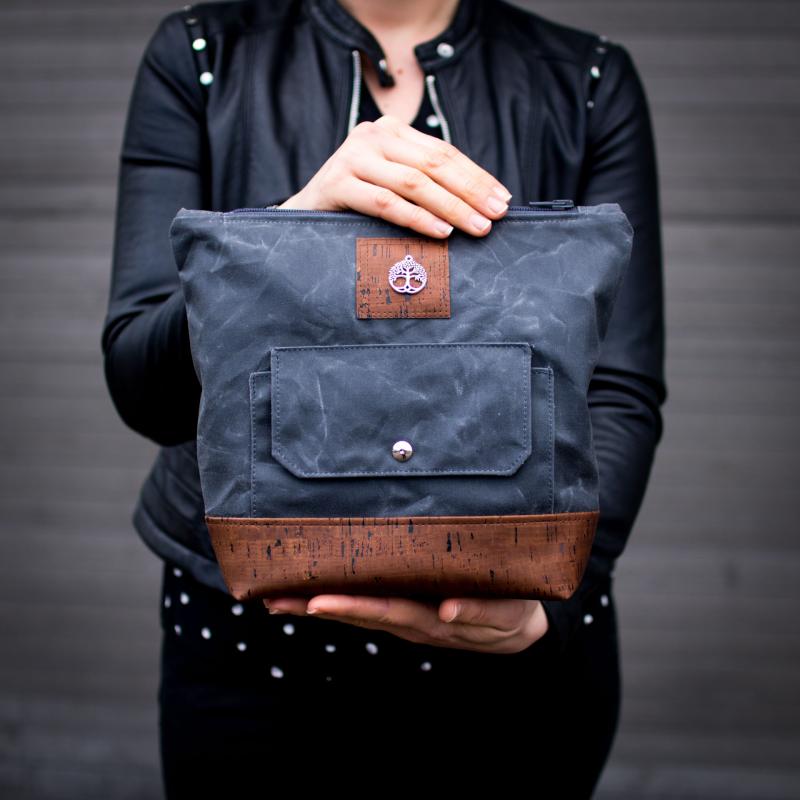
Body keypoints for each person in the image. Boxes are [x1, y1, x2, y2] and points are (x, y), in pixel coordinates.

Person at [101, 0, 666, 796]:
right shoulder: (202, 53)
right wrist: (285, 230)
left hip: (517, 661)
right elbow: (140, 385)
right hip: (247, 657)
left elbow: (619, 386)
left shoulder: (588, 78)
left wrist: (554, 609)